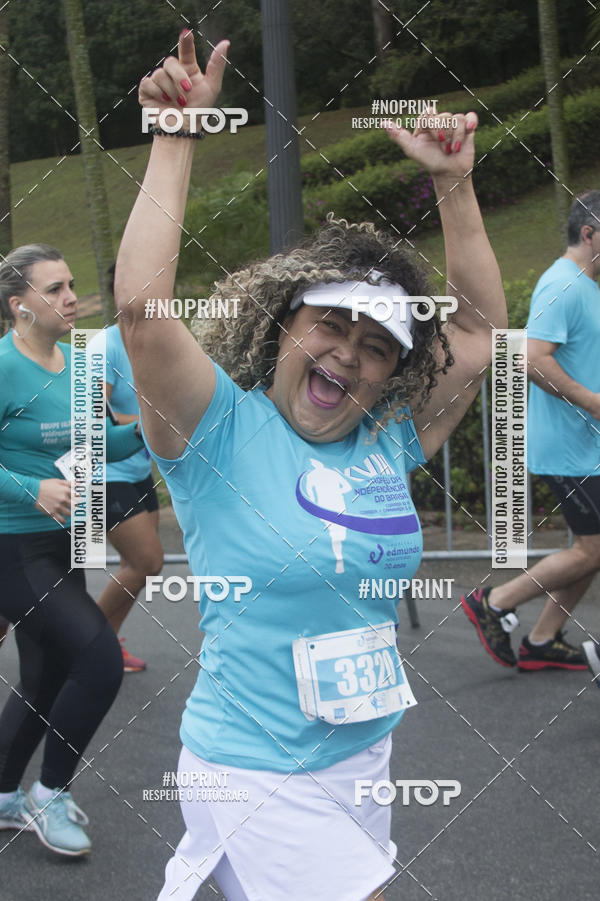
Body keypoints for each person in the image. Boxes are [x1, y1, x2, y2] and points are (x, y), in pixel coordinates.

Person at [117, 31, 506, 901]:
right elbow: (144, 313)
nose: (346, 357)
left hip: (363, 750)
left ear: (393, 370)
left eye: (376, 347)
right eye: (329, 326)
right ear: (285, 325)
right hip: (255, 761)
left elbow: (476, 336)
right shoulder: (220, 430)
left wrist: (453, 181)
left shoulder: (389, 441)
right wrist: (176, 137)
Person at [0, 244, 145, 855]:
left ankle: (5, 794)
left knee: (45, 677)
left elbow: (98, 448)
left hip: (66, 543)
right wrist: (31, 487)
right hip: (15, 546)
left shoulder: (82, 364)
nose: (69, 300)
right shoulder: (3, 367)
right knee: (99, 661)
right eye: (54, 289)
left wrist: (152, 426)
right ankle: (49, 792)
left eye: (71, 286)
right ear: (19, 305)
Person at [462, 191, 600, 673]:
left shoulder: (589, 285)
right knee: (592, 548)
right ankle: (494, 601)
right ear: (589, 234)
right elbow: (532, 360)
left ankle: (542, 640)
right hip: (567, 448)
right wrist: (593, 404)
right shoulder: (561, 284)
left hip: (588, 448)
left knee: (592, 549)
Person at [88, 267, 164, 673]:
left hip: (139, 470)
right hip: (105, 472)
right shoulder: (104, 346)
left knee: (138, 569)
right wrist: (144, 424)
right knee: (147, 562)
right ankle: (84, 646)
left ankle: (105, 646)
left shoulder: (156, 343)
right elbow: (91, 421)